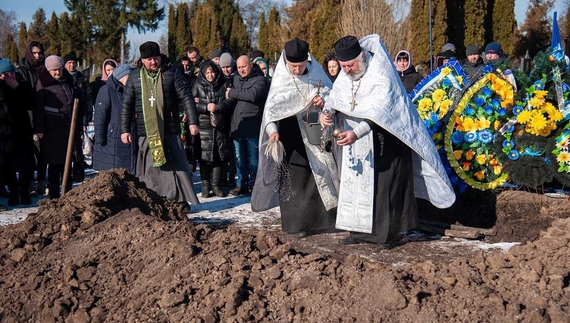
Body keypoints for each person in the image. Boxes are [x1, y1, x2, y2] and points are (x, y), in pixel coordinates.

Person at [322, 35, 456, 249]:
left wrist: (357, 132)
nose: (346, 70)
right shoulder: (346, 75)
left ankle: (385, 235)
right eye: (343, 66)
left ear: (362, 58)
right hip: (355, 142)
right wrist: (327, 113)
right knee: (356, 185)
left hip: (387, 141)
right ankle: (358, 231)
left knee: (384, 189)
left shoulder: (381, 74)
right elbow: (335, 98)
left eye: (350, 65)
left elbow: (382, 112)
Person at [251, 38, 339, 238]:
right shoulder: (282, 77)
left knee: (317, 174)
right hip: (289, 132)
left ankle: (323, 222)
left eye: (300, 66)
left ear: (306, 60)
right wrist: (272, 131)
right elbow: (271, 111)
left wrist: (322, 101)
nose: (297, 70)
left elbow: (330, 95)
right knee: (294, 178)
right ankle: (295, 224)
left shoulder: (316, 73)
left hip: (313, 127)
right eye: (293, 66)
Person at [120, 41, 200, 211]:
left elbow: (186, 97)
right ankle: (152, 199)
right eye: (148, 59)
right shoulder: (134, 77)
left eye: (155, 58)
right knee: (150, 169)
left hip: (169, 128)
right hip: (145, 131)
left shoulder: (171, 73)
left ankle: (180, 200)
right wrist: (124, 129)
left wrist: (193, 121)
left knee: (176, 166)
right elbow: (127, 104)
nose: (153, 62)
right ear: (142, 60)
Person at [34, 55, 83, 199]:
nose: (57, 72)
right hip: (52, 131)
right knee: (55, 165)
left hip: (68, 128)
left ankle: (67, 193)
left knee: (67, 163)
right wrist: (40, 129)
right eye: (54, 70)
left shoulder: (68, 81)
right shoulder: (43, 84)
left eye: (59, 69)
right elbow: (38, 109)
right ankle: (54, 196)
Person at [224, 55, 270, 195]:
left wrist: (232, 93)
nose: (241, 70)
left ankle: (254, 185)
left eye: (244, 67)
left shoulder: (260, 80)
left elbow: (252, 94)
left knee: (253, 159)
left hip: (252, 125)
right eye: (239, 68)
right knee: (239, 159)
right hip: (237, 125)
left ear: (250, 64)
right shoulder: (235, 79)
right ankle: (241, 184)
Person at [192, 60, 233, 197]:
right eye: (208, 72)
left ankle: (216, 185)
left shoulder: (223, 83)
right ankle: (205, 186)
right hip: (204, 126)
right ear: (203, 73)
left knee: (218, 157)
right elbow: (191, 103)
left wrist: (219, 106)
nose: (211, 75)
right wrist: (205, 107)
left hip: (220, 125)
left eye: (213, 72)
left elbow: (231, 100)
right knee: (204, 158)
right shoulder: (197, 85)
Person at [0, 59, 35, 206]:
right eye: (6, 74)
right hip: (6, 133)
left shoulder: (23, 85)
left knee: (26, 164)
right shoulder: (1, 88)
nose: (10, 76)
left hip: (23, 131)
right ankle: (13, 193)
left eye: (12, 73)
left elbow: (31, 103)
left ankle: (24, 192)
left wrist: (17, 88)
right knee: (10, 166)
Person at [93, 64, 136, 173]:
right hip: (111, 139)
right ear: (122, 77)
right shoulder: (106, 90)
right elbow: (100, 117)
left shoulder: (131, 91)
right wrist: (100, 140)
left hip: (128, 138)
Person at [16, 41, 46, 196]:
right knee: (28, 152)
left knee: (42, 151)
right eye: (34, 53)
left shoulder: (44, 70)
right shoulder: (22, 72)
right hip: (27, 116)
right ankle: (28, 183)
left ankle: (42, 181)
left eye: (40, 52)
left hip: (43, 114)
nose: (37, 55)